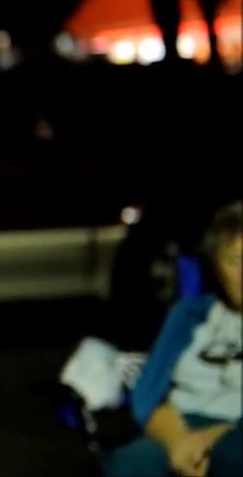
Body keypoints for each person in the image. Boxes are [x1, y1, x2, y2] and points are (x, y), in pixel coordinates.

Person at [103, 199, 242, 477]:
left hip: (235, 432)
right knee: (128, 463)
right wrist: (180, 441)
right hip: (181, 425)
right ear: (216, 268)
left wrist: (211, 440)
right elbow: (147, 394)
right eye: (235, 260)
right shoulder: (189, 314)